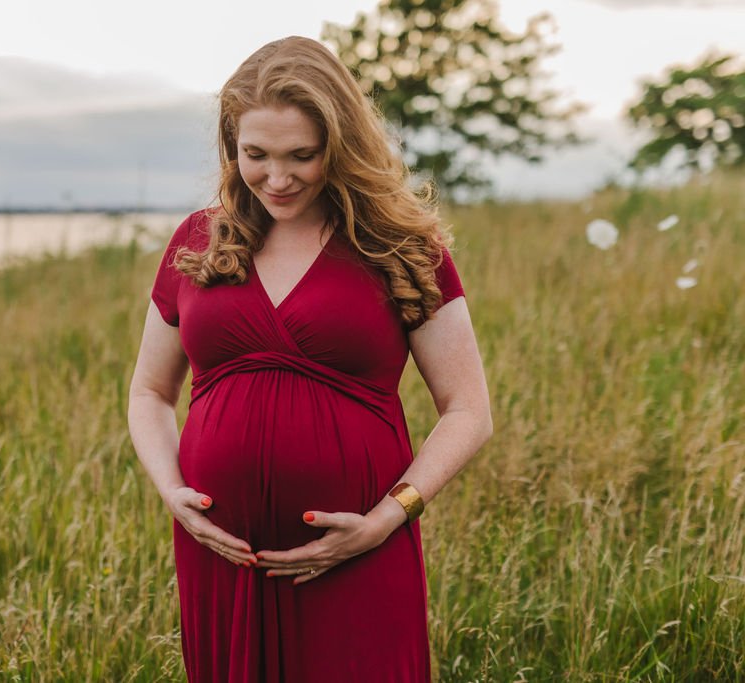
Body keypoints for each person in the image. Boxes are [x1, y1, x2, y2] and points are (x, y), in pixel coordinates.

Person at [127, 35, 493, 682]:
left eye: (302, 155)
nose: (277, 177)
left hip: (358, 551)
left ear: (341, 144)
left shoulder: (400, 246)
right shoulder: (197, 240)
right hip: (222, 554)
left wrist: (386, 519)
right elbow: (150, 393)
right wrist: (172, 492)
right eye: (256, 155)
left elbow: (468, 411)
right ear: (231, 145)